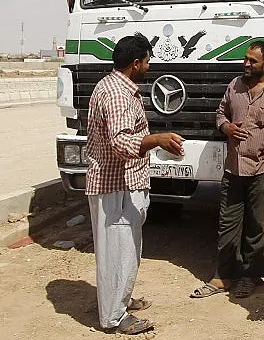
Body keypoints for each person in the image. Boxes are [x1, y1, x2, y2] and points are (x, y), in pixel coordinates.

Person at [190, 40, 264, 299]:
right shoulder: (235, 86)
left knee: (259, 226)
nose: (246, 64)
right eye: (245, 59)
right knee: (228, 223)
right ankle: (224, 276)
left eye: (252, 61)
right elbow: (221, 113)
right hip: (233, 169)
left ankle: (251, 276)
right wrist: (226, 127)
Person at [85, 33, 185, 335]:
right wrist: (156, 140)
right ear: (135, 63)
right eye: (147, 61)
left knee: (127, 249)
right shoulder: (116, 93)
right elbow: (119, 142)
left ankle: (120, 301)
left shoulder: (120, 87)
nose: (150, 67)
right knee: (117, 251)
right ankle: (114, 317)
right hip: (115, 185)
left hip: (126, 182)